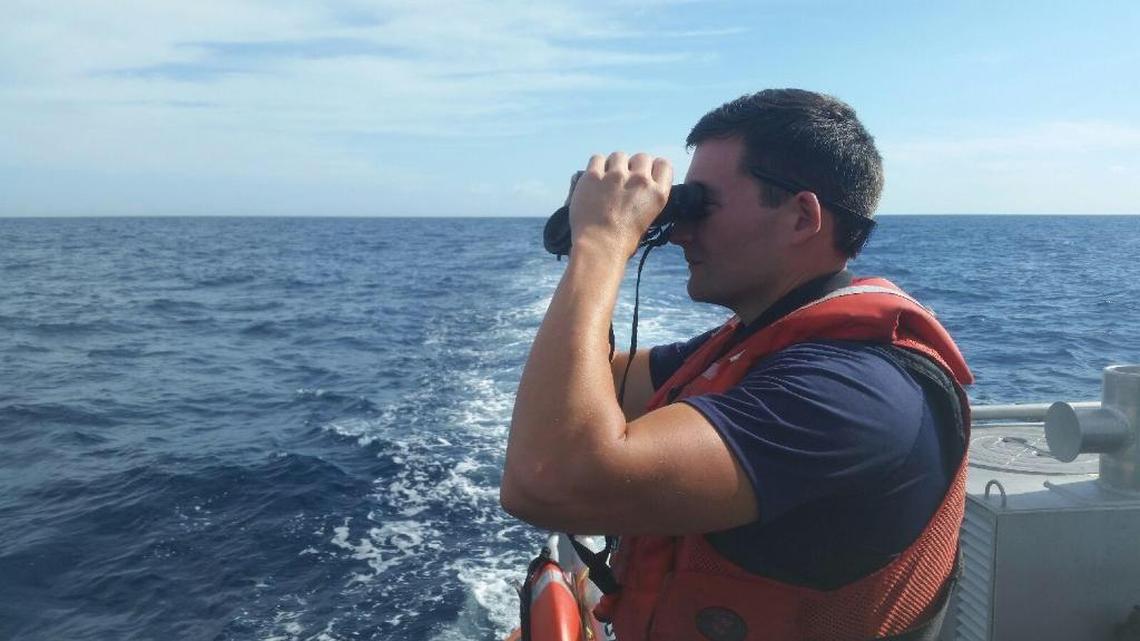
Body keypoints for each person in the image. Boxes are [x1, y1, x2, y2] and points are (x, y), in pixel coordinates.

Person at [501, 89, 973, 641]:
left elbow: (549, 478)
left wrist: (603, 244)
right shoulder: (754, 344)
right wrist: (594, 238)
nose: (680, 231)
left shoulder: (853, 392)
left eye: (701, 205)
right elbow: (582, 389)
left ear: (802, 217)